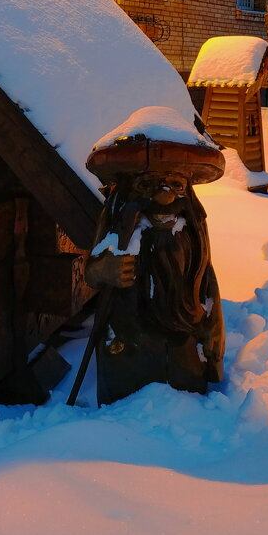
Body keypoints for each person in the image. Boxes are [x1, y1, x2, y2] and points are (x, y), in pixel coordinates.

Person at [84, 137, 225, 405]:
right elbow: (91, 272)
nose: (164, 196)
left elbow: (207, 279)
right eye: (147, 185)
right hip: (128, 337)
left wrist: (214, 326)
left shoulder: (191, 236)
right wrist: (103, 268)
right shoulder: (118, 226)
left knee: (187, 375)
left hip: (183, 332)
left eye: (175, 184)